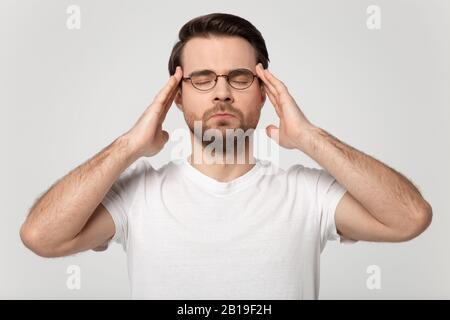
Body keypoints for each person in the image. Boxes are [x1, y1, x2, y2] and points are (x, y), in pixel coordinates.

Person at [19, 13, 432, 299]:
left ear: (265, 91)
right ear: (176, 98)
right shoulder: (139, 195)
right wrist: (128, 146)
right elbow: (42, 238)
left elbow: (409, 219)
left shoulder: (308, 193)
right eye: (201, 78)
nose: (221, 92)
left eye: (239, 77)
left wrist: (310, 137)